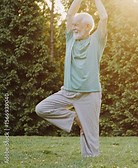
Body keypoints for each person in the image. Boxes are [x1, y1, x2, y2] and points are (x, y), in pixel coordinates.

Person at [35, 0, 108, 157]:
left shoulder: (97, 41)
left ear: (87, 27)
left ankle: (90, 161)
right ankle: (75, 118)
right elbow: (69, 14)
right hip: (67, 92)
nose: (73, 27)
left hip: (89, 94)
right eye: (72, 25)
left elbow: (104, 17)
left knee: (91, 139)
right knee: (42, 108)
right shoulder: (70, 39)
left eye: (77, 25)